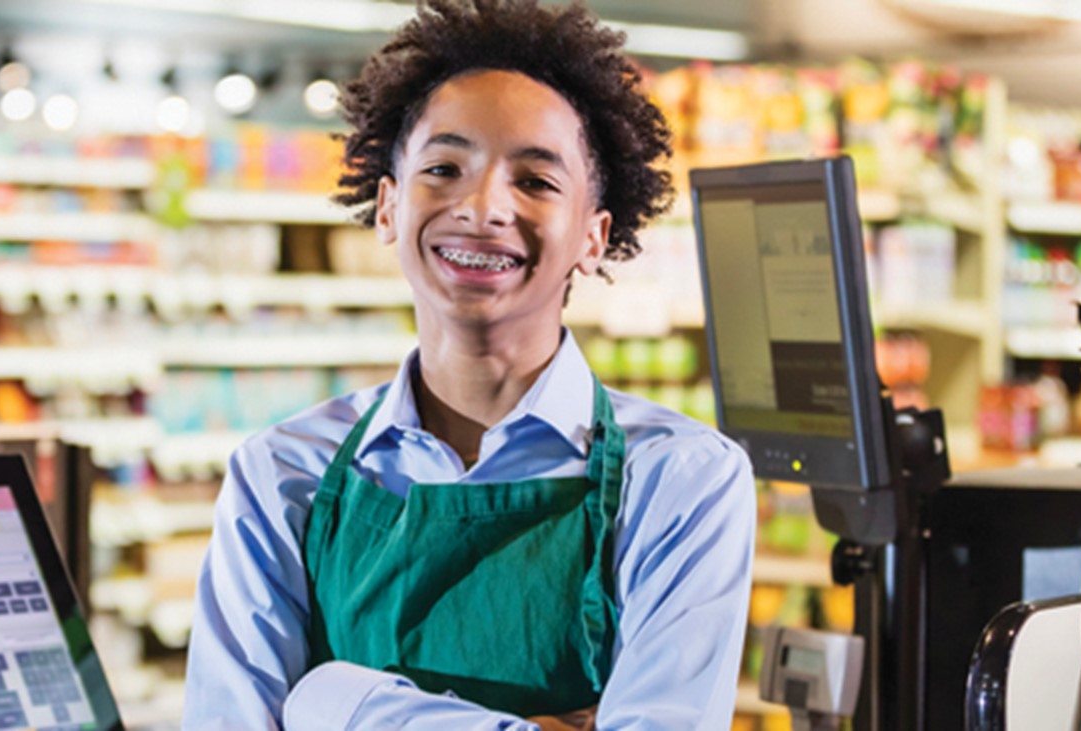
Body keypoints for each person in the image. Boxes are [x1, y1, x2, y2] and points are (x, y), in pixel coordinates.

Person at [182, 0, 756, 729]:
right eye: (445, 167)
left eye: (536, 181)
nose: (483, 207)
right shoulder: (279, 475)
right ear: (388, 208)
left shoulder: (682, 480)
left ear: (592, 235)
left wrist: (337, 704)